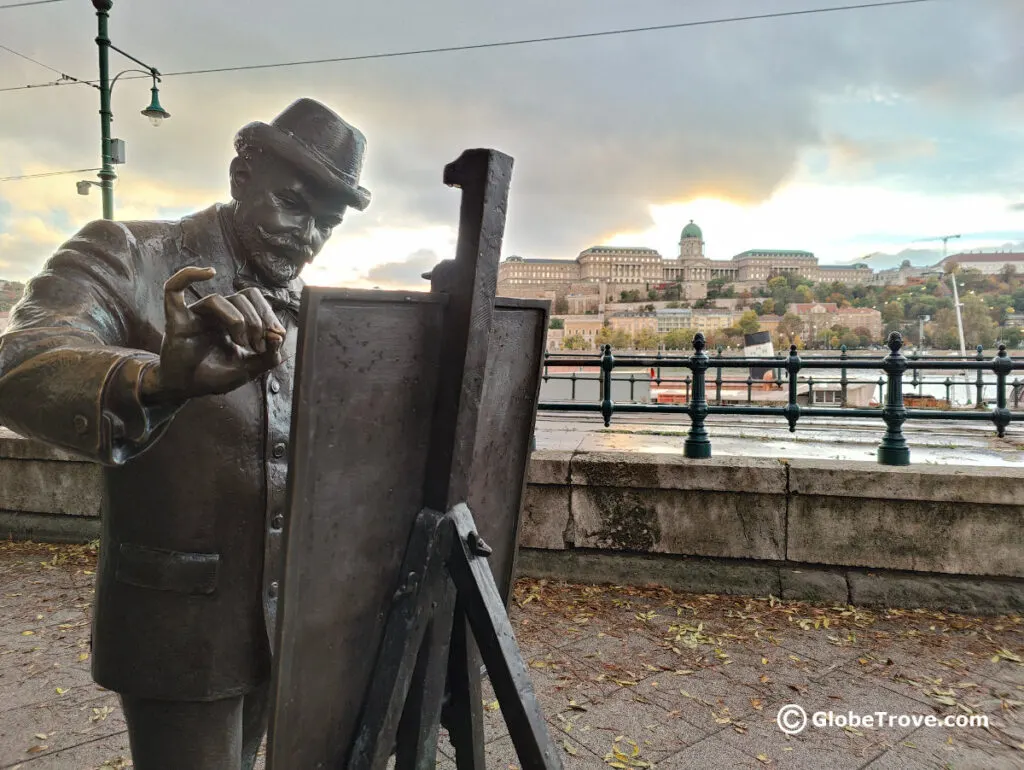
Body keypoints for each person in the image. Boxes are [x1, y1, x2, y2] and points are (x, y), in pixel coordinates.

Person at [0, 98, 370, 769]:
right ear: (241, 176)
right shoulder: (127, 254)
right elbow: (20, 364)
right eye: (292, 203)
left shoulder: (315, 310)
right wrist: (157, 380)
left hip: (279, 625)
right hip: (175, 621)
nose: (307, 236)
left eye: (327, 223)